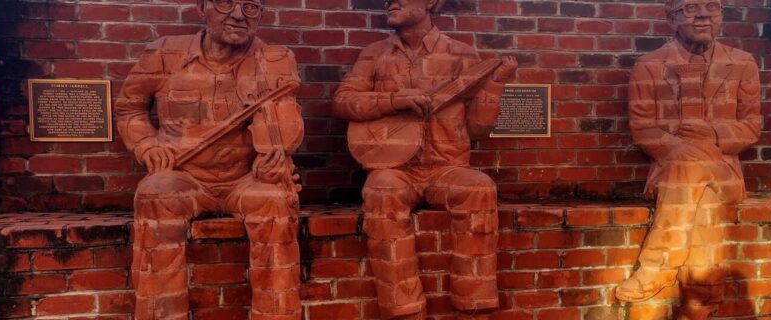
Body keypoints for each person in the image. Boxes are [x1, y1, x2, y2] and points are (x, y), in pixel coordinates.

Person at [114, 0, 304, 319]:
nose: (239, 15)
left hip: (246, 179)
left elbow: (282, 126)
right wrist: (146, 145)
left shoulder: (276, 60)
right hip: (184, 176)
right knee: (154, 195)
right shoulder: (163, 54)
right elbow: (129, 108)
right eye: (226, 3)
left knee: (275, 201)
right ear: (203, 6)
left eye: (251, 7)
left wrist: (274, 159)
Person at [332, 0, 517, 318]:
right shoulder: (375, 54)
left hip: (447, 168)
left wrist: (496, 85)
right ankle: (404, 310)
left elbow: (477, 128)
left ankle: (474, 306)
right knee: (381, 190)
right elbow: (343, 102)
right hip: (395, 169)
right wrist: (393, 101)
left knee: (479, 188)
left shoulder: (462, 55)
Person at [619, 0, 761, 317]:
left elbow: (751, 126)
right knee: (703, 221)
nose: (702, 15)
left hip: (723, 171)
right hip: (672, 172)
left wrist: (710, 134)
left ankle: (657, 266)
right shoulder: (649, 65)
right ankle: (700, 303)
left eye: (712, 6)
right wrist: (682, 149)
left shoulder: (742, 63)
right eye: (690, 7)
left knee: (694, 161)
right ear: (671, 18)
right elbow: (642, 128)